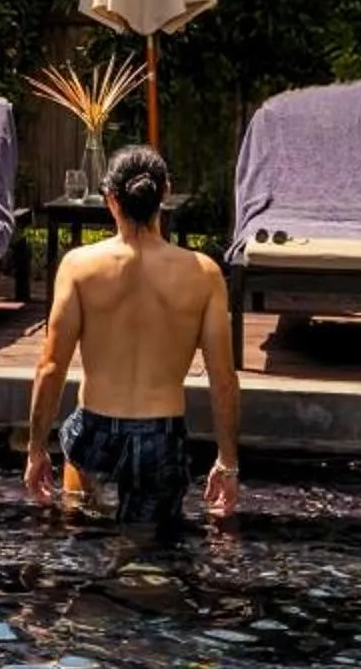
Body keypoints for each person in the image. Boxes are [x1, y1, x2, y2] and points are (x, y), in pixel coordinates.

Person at [23, 145, 241, 535]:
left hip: (95, 434)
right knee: (149, 550)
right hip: (161, 437)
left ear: (110, 199)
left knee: (83, 537)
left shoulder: (78, 266)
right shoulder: (203, 274)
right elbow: (223, 379)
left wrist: (36, 450)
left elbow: (51, 367)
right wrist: (228, 463)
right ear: (165, 194)